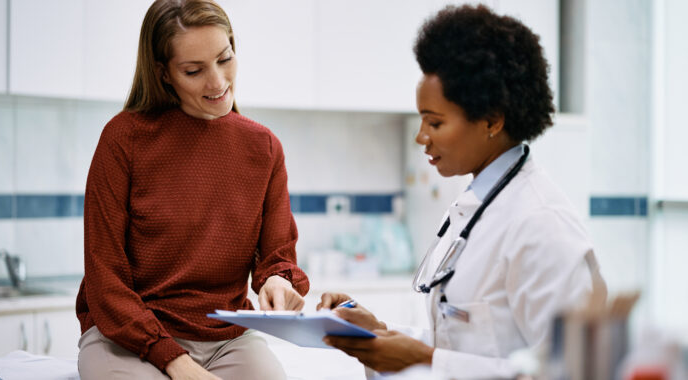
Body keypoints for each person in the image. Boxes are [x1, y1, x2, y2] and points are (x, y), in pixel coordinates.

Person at [318, 4, 607, 379]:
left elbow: (574, 372)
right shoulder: (474, 208)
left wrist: (424, 360)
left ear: (491, 120)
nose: (421, 137)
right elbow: (464, 344)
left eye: (434, 122)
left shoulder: (542, 225)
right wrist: (379, 335)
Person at [75, 1, 309, 379]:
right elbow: (105, 280)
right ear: (163, 73)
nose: (217, 82)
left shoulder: (264, 148)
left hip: (225, 338)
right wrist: (176, 362)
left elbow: (277, 254)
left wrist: (279, 282)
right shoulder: (123, 140)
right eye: (194, 70)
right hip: (126, 337)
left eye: (225, 59)